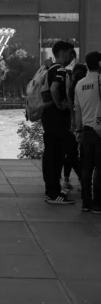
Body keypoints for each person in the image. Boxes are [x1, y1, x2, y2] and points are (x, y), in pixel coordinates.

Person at [41, 40, 75, 205]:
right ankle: (54, 193)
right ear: (62, 53)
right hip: (57, 119)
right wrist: (60, 105)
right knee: (57, 155)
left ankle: (50, 191)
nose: (71, 57)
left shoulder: (49, 69)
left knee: (50, 155)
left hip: (48, 118)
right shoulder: (60, 69)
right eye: (70, 53)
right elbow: (55, 88)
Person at [74, 51, 101, 213]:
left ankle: (86, 202)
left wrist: (78, 130)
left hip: (85, 130)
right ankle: (98, 203)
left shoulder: (80, 84)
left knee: (86, 168)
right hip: (99, 132)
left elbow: (77, 111)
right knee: (100, 168)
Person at [64, 62, 87, 191]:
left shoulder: (71, 88)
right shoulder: (83, 87)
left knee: (71, 153)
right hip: (84, 124)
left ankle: (67, 180)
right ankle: (83, 181)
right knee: (83, 155)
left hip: (70, 124)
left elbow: (71, 107)